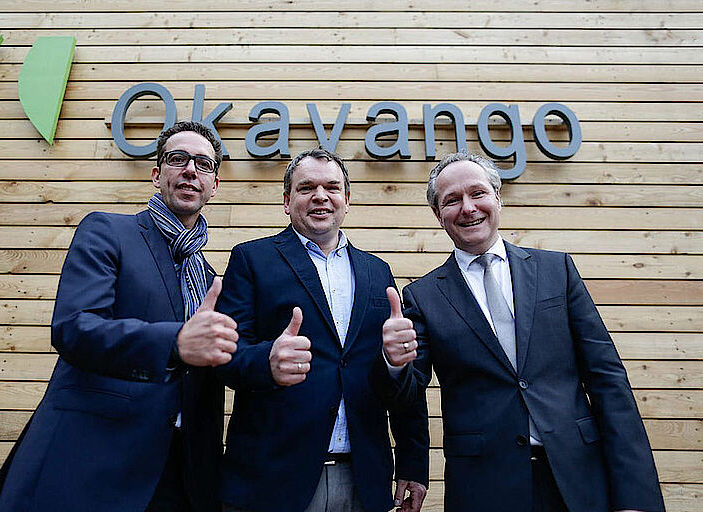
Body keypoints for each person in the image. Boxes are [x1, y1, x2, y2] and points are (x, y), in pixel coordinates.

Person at [373, 152, 665, 512]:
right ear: (438, 214)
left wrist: (635, 497)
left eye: (478, 193)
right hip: (483, 488)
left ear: (498, 198)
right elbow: (406, 398)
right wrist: (394, 362)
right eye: (452, 200)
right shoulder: (423, 296)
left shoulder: (557, 271)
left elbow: (608, 380)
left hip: (577, 479)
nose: (468, 208)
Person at [0, 121, 238, 512]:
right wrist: (174, 343)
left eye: (203, 164)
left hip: (182, 475)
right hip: (94, 462)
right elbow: (75, 327)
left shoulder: (209, 277)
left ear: (214, 185)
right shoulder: (107, 232)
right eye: (178, 159)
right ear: (157, 174)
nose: (190, 170)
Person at [215, 149, 429, 512]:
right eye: (306, 188)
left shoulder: (377, 271)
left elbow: (403, 372)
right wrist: (267, 361)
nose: (320, 196)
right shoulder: (251, 260)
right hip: (275, 480)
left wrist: (412, 461)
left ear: (347, 199)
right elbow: (226, 356)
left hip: (364, 479)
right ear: (287, 201)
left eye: (331, 187)